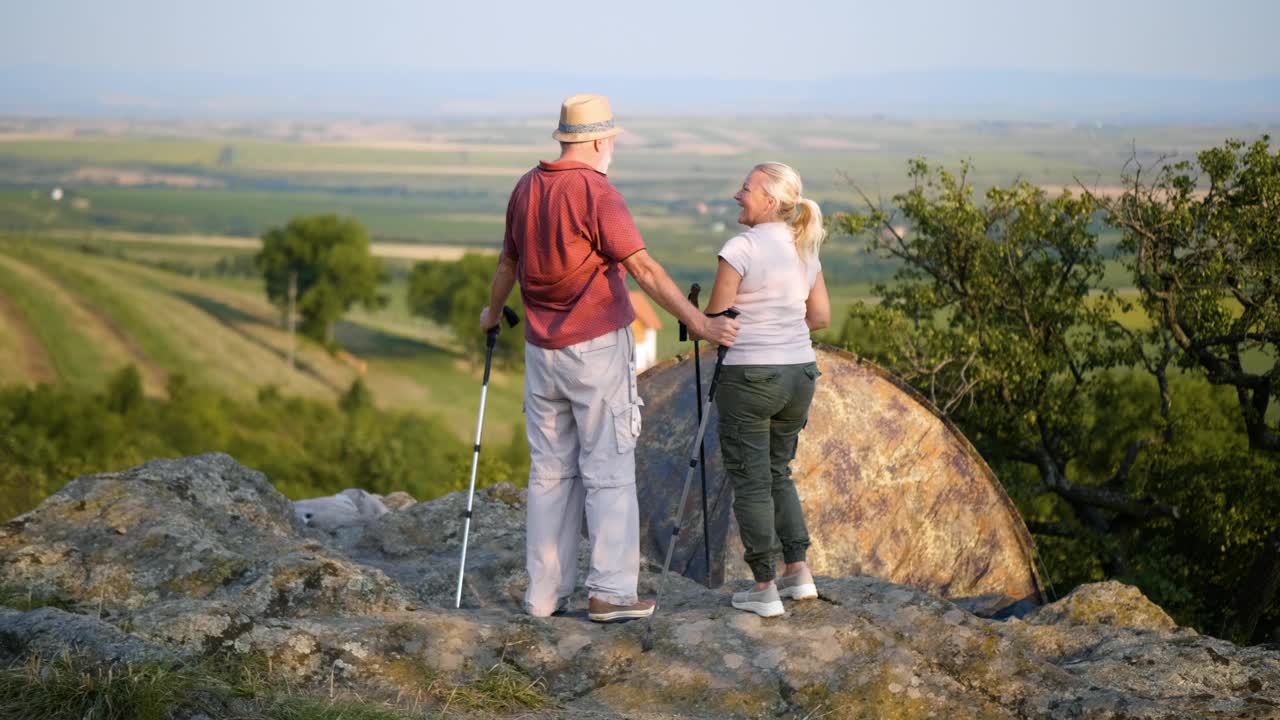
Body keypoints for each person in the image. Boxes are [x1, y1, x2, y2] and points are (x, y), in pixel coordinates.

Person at [479, 94, 740, 622]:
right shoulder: (597, 193)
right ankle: (612, 593)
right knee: (609, 467)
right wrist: (700, 323)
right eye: (612, 140)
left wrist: (491, 310)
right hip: (595, 348)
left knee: (550, 472)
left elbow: (508, 259)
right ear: (599, 141)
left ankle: (543, 596)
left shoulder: (527, 186)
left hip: (540, 351)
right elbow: (642, 268)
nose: (612, 147)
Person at [702, 161, 830, 618]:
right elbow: (819, 318)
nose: (739, 195)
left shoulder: (740, 248)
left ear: (769, 201)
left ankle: (764, 587)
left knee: (751, 479)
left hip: (751, 375)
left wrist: (696, 322)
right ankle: (799, 573)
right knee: (778, 471)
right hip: (800, 372)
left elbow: (715, 320)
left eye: (746, 189)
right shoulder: (804, 247)